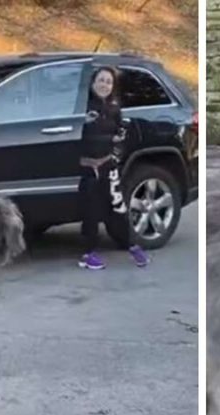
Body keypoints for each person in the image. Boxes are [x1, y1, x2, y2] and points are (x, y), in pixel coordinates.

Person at [77, 66, 150, 270]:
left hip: (109, 166)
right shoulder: (83, 107)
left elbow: (120, 137)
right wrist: (110, 137)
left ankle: (132, 246)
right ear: (92, 83)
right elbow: (85, 137)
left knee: (118, 209)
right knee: (90, 212)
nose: (104, 85)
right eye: (101, 80)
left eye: (109, 82)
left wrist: (118, 143)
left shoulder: (114, 108)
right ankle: (88, 254)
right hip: (88, 167)